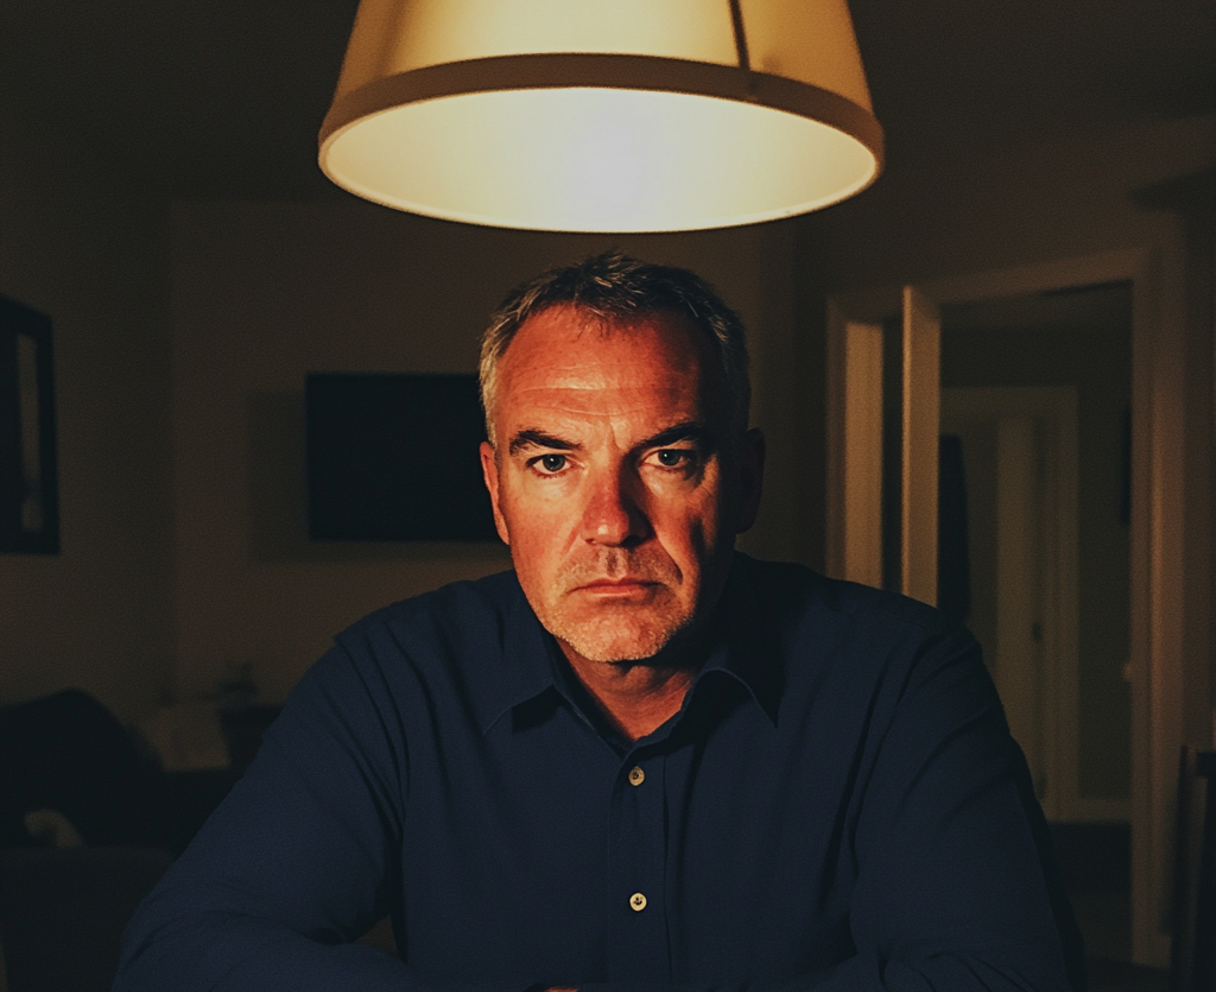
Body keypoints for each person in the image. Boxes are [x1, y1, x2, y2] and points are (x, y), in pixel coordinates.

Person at [115, 251, 1084, 992]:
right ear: (496, 493)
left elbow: (1002, 974)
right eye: (552, 462)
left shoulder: (902, 674)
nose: (612, 522)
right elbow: (180, 949)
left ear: (743, 480)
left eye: (667, 457)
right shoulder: (393, 678)